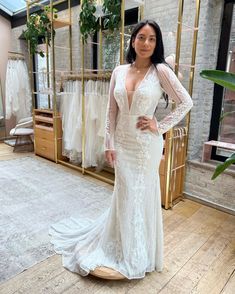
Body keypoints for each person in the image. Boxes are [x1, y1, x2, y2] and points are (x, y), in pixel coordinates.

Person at [50, 19, 193, 279]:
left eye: (152, 39)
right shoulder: (119, 70)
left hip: (145, 145)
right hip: (123, 144)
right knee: (124, 195)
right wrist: (108, 143)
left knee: (138, 196)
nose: (146, 43)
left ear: (157, 43)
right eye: (141, 37)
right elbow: (110, 111)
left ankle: (137, 253)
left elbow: (186, 102)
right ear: (132, 40)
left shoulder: (160, 71)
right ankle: (121, 244)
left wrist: (159, 125)